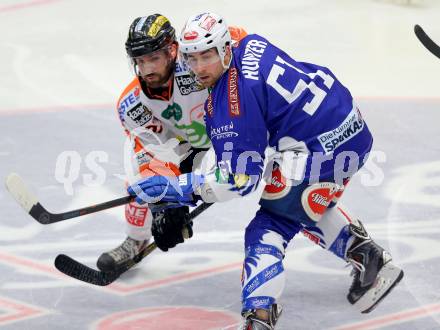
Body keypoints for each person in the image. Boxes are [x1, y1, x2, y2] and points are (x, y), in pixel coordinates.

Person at [127, 12, 404, 330]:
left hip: (320, 147)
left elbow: (239, 181)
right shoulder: (243, 39)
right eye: (193, 58)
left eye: (207, 56)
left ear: (223, 50)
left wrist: (175, 189)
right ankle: (366, 255)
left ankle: (259, 316)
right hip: (346, 123)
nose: (200, 68)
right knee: (294, 200)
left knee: (269, 226)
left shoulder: (231, 104)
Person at [96, 14, 211, 272]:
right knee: (140, 180)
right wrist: (164, 205)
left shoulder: (198, 68)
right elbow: (153, 153)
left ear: (172, 51)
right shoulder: (132, 104)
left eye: (153, 58)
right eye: (140, 60)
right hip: (191, 148)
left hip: (236, 139)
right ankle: (136, 239)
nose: (146, 69)